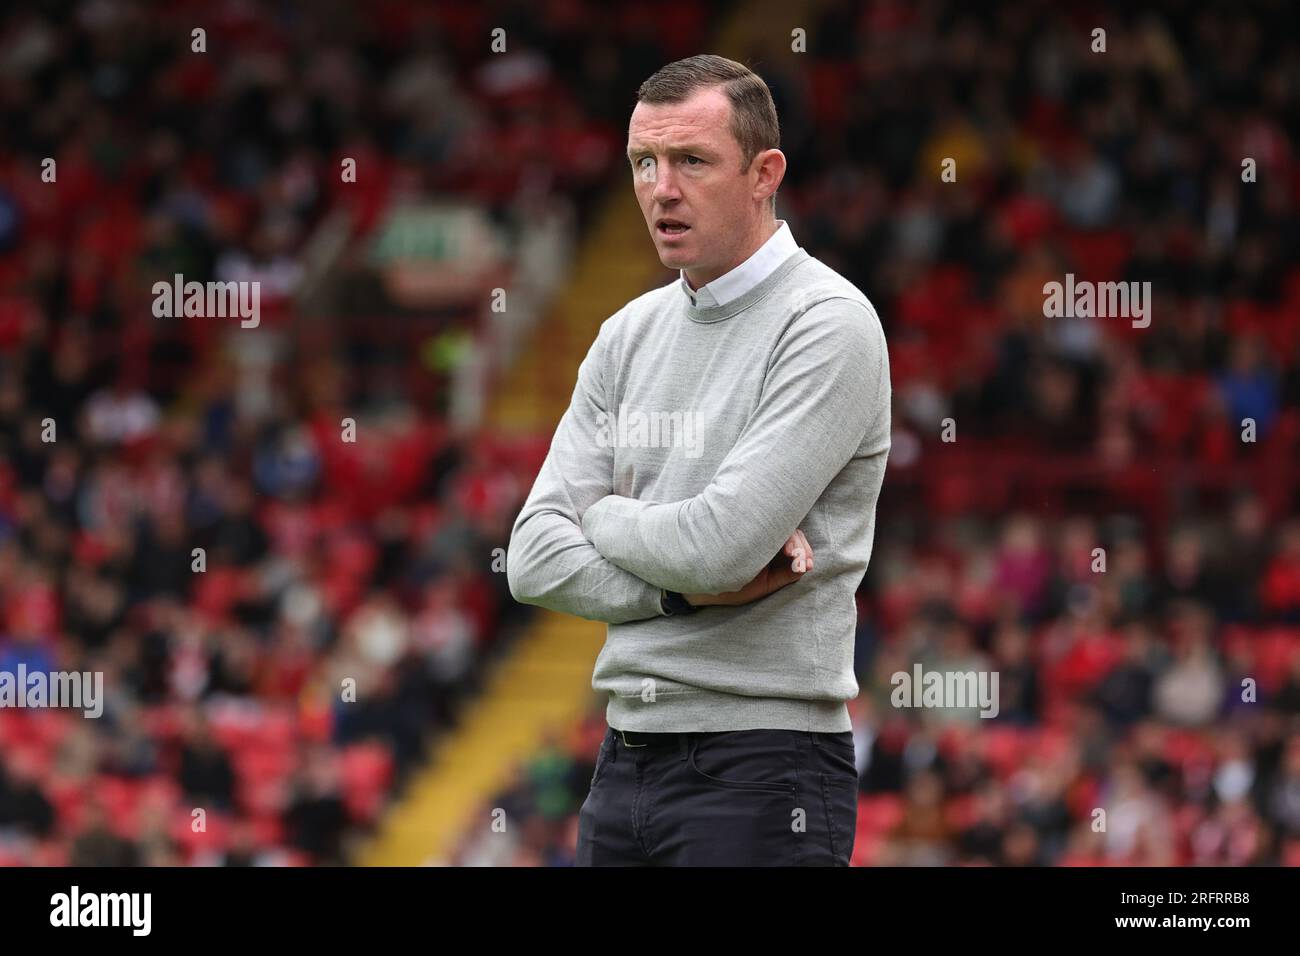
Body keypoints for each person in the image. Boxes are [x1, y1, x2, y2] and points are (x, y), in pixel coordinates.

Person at [506, 54, 891, 865]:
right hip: (622, 762)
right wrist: (680, 598)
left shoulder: (828, 324)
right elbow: (534, 557)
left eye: (691, 161)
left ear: (764, 173)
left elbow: (722, 548)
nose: (660, 188)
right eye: (644, 162)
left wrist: (605, 517)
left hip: (765, 771)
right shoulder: (627, 334)